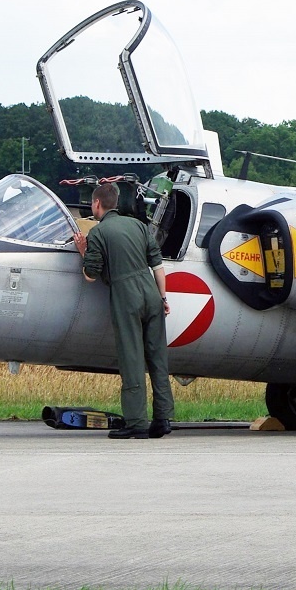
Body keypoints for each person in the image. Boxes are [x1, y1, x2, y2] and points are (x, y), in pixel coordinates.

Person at [75, 181, 175, 440]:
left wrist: (83, 251)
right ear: (116, 203)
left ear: (97, 204)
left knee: (132, 359)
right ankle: (163, 419)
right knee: (157, 357)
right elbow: (158, 266)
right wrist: (163, 298)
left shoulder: (99, 232)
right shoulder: (139, 226)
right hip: (152, 291)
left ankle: (137, 423)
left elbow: (90, 275)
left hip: (126, 295)